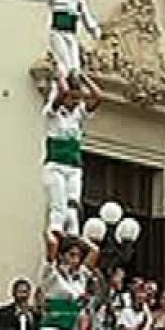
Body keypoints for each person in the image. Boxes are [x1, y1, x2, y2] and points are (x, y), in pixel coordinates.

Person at [5, 0, 103, 111]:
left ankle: (73, 87)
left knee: (75, 67)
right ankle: (62, 86)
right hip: (59, 31)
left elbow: (86, 16)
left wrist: (95, 31)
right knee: (64, 64)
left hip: (71, 33)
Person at [40, 84, 99, 237]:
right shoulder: (53, 113)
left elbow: (98, 96)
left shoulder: (79, 114)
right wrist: (62, 77)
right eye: (73, 98)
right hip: (56, 165)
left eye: (78, 99)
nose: (76, 102)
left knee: (73, 205)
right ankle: (56, 233)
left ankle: (73, 235)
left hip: (74, 166)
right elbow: (62, 93)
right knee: (58, 204)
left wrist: (84, 79)